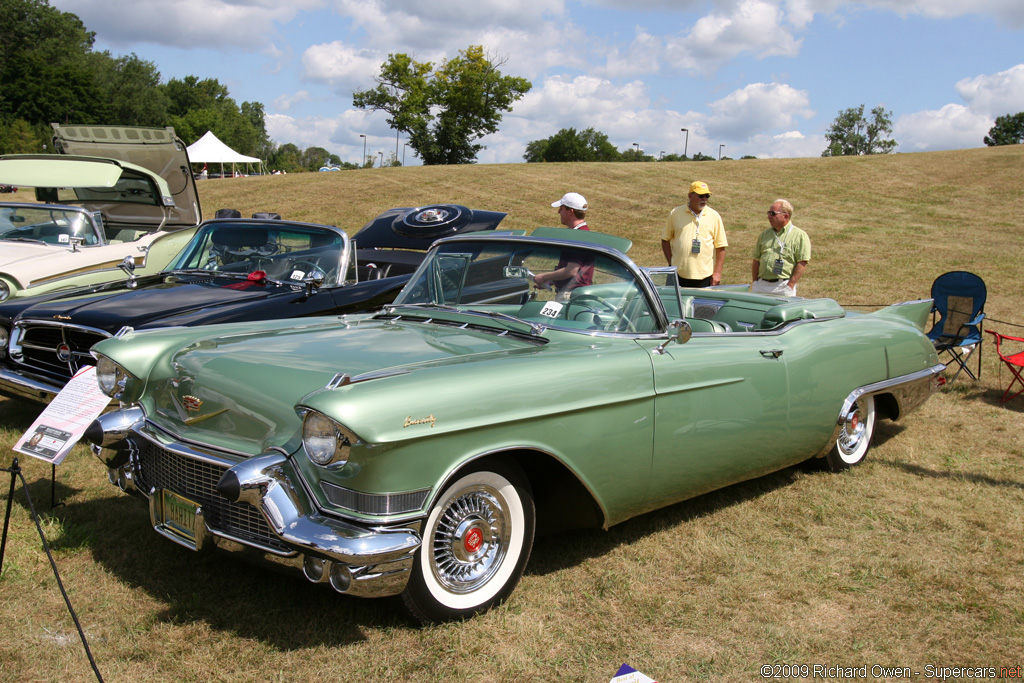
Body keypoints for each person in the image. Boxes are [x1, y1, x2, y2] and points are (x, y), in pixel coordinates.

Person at [661, 180, 728, 287]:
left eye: (707, 196)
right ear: (690, 195)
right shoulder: (675, 213)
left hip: (705, 277)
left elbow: (721, 247)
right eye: (701, 196)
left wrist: (717, 273)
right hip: (677, 275)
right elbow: (665, 240)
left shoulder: (714, 216)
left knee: (703, 304)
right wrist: (671, 264)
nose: (704, 199)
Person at [533, 192, 594, 300]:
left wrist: (544, 276)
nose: (558, 212)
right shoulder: (580, 233)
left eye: (561, 208)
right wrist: (552, 280)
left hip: (570, 295)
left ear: (570, 211)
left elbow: (571, 271)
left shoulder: (578, 236)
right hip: (572, 293)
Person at [750, 199, 811, 297]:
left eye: (773, 213)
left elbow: (802, 262)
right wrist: (755, 282)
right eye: (769, 213)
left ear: (785, 216)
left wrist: (790, 285)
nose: (769, 216)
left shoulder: (799, 235)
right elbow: (756, 259)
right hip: (761, 286)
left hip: (783, 286)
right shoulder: (764, 235)